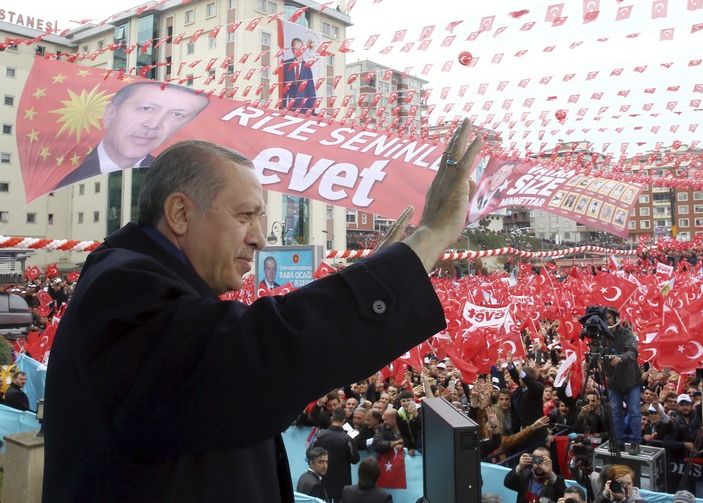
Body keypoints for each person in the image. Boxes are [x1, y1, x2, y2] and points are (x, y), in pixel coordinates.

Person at [42, 118, 483, 502]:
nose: (258, 237)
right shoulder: (124, 286)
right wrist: (429, 237)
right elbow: (258, 354)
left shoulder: (151, 285)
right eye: (245, 215)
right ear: (179, 213)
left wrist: (374, 275)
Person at [54, 81, 210, 189]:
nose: (154, 124)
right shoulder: (64, 170)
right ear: (110, 114)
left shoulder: (174, 180)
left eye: (176, 114)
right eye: (146, 108)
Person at [603, 307, 643, 455]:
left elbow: (633, 352)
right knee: (615, 412)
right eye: (604, 318)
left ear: (616, 319)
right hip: (614, 381)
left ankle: (635, 442)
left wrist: (620, 358)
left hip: (631, 380)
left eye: (609, 318)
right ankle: (618, 442)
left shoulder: (626, 333)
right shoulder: (603, 337)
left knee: (634, 412)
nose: (607, 321)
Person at [314, 408, 360, 502]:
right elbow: (355, 459)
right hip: (342, 481)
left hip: (323, 477)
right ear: (344, 420)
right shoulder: (347, 439)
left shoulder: (320, 436)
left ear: (331, 419)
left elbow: (311, 453)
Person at [282, 37, 316, 113]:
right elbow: (283, 90)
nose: (299, 51)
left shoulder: (307, 67)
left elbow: (311, 92)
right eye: (296, 48)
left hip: (303, 110)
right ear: (292, 50)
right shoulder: (286, 65)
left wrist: (311, 112)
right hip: (290, 110)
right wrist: (282, 108)